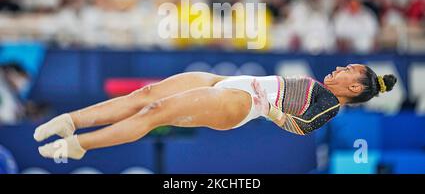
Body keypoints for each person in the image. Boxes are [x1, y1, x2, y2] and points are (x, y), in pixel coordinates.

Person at [34, 66, 396, 160]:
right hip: (230, 82)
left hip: (242, 104)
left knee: (155, 111)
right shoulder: (320, 89)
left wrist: (269, 110)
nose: (341, 68)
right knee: (145, 94)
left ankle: (79, 145)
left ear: (354, 88)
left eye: (349, 69)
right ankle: (72, 120)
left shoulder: (331, 104)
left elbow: (302, 128)